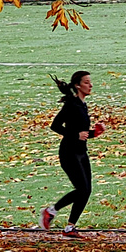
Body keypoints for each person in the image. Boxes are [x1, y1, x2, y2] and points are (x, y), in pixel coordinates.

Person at [40, 70, 104, 237]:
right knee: (82, 189)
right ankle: (50, 211)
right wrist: (75, 135)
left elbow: (81, 132)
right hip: (69, 153)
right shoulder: (71, 105)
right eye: (86, 82)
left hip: (81, 152)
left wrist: (94, 133)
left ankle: (70, 227)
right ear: (77, 86)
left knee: (86, 190)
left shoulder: (82, 105)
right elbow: (55, 126)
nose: (90, 85)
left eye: (90, 82)